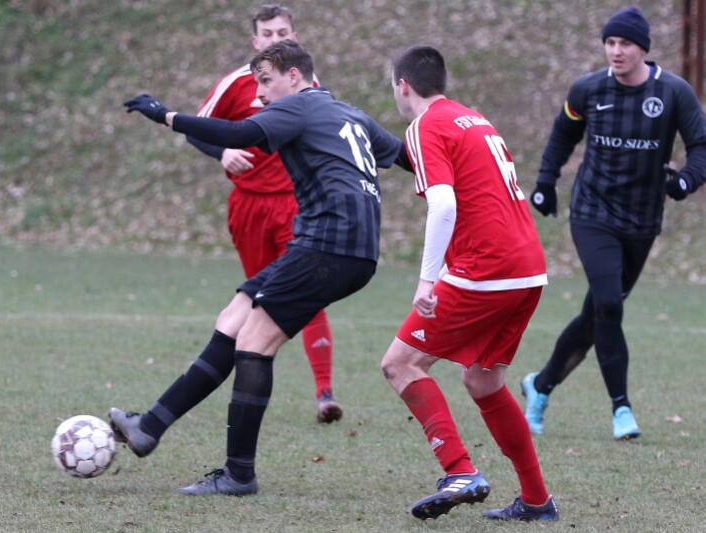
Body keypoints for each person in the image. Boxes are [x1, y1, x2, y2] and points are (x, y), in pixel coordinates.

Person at [113, 40, 410, 495]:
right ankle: (149, 427)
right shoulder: (351, 114)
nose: (260, 94)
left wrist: (165, 115)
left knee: (254, 342)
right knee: (234, 318)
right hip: (343, 248)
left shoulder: (299, 106)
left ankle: (238, 474)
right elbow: (409, 157)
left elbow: (237, 134)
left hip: (328, 247)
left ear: (294, 76)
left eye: (266, 81)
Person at [381, 44, 558, 522]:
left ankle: (459, 470)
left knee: (399, 364)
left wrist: (427, 280)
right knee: (483, 379)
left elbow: (443, 204)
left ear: (403, 86)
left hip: (487, 268)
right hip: (527, 267)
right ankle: (536, 500)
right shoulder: (473, 119)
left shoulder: (424, 126)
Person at [523, 6, 706, 440]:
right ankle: (621, 408)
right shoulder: (588, 89)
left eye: (625, 43)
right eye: (610, 42)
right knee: (608, 303)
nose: (616, 51)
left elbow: (701, 145)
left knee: (597, 314)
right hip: (593, 213)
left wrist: (686, 180)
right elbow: (563, 134)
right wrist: (546, 182)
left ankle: (540, 385)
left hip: (641, 220)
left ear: (643, 48)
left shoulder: (673, 92)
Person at [185, 4, 342, 423]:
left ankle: (325, 393)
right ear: (255, 41)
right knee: (258, 301)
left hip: (297, 205)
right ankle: (249, 392)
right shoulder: (236, 84)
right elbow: (197, 128)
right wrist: (223, 152)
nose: (276, 39)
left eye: (282, 33)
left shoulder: (311, 88)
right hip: (249, 207)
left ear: (295, 38)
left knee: (310, 293)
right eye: (268, 34)